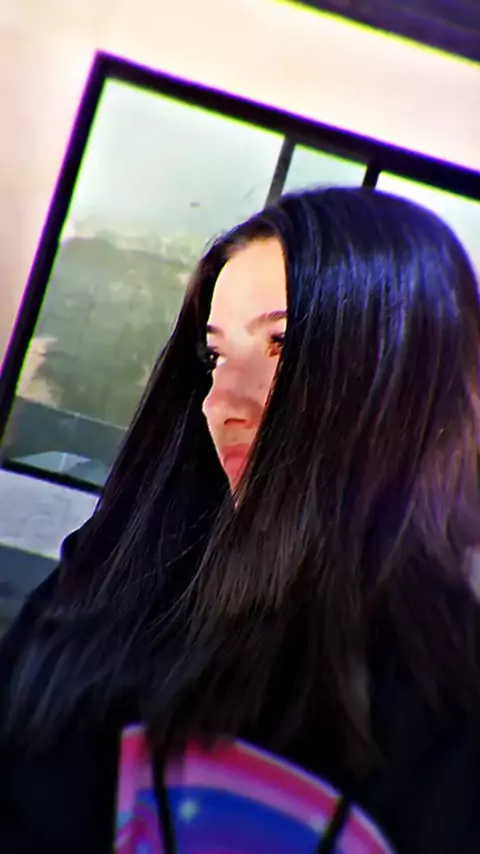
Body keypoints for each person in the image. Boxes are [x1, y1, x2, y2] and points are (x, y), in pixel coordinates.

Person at [1, 186, 480, 853]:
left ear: (406, 371)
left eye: (281, 343)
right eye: (216, 356)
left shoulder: (448, 706)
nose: (220, 401)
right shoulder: (106, 585)